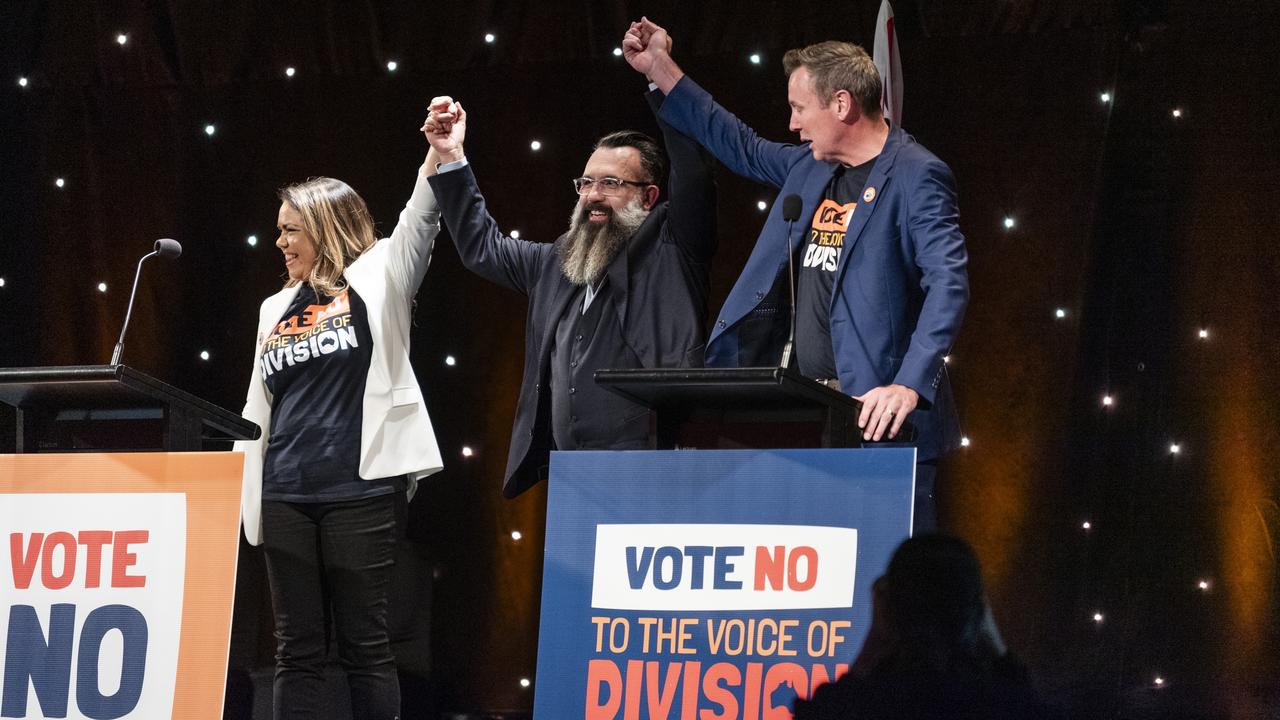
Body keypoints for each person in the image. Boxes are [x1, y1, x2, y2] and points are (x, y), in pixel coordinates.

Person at [623, 19, 968, 531]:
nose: (792, 124)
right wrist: (659, 68)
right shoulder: (809, 166)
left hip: (882, 426)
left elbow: (949, 283)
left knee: (885, 583)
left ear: (843, 105)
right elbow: (734, 140)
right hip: (808, 414)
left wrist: (908, 386)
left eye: (800, 108)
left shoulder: (918, 175)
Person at [234, 127, 447, 719]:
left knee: (365, 647)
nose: (278, 241)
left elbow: (421, 215)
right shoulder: (273, 308)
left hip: (360, 490)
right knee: (294, 651)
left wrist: (440, 151)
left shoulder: (381, 278)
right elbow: (259, 406)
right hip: (284, 494)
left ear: (325, 226)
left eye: (289, 229)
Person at [420, 86, 716, 498]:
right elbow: (482, 248)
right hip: (570, 470)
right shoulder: (557, 260)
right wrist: (451, 157)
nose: (593, 196)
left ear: (649, 197)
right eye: (586, 183)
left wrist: (658, 80)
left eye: (610, 183)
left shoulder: (673, 247)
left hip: (653, 467)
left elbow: (695, 172)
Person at [791, 534, 1059, 719]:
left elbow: (827, 710)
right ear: (978, 614)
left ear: (888, 609)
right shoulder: (1009, 706)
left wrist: (872, 645)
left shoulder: (860, 705)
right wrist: (999, 654)